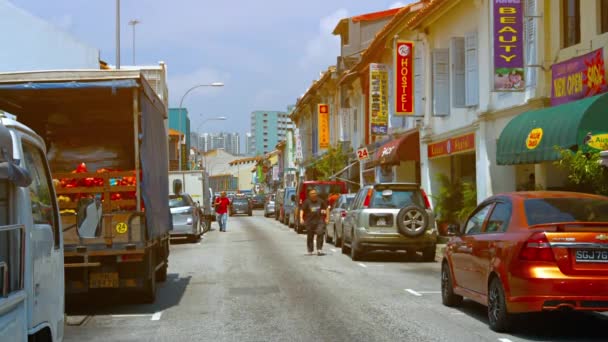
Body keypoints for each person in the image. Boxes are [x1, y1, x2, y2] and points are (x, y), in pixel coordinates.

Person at [300, 189, 328, 256]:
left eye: (315, 193)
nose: (314, 194)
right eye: (312, 193)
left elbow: (327, 208)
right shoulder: (307, 202)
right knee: (310, 236)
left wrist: (327, 218)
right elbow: (302, 210)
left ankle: (319, 249)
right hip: (309, 221)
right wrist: (301, 218)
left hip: (319, 221)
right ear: (310, 195)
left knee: (320, 233)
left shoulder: (320, 201)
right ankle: (310, 250)